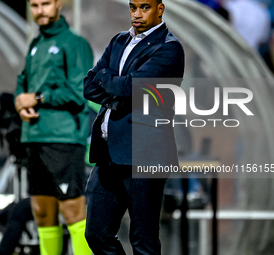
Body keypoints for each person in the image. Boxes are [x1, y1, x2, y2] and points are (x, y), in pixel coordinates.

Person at [83, 0, 185, 254]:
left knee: (143, 240)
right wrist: (117, 90)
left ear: (159, 9)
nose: (137, 14)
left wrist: (107, 79)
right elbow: (88, 85)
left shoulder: (169, 49)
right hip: (109, 153)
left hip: (145, 153)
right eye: (132, 7)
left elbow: (131, 87)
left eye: (144, 7)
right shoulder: (118, 40)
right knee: (96, 233)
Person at [14, 0, 93, 254]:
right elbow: (23, 81)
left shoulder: (74, 43)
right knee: (42, 211)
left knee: (72, 210)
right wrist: (20, 101)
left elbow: (79, 92)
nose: (40, 10)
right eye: (34, 5)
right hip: (34, 136)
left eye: (46, 3)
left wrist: (37, 98)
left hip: (63, 138)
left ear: (59, 3)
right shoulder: (35, 44)